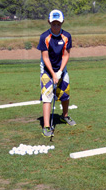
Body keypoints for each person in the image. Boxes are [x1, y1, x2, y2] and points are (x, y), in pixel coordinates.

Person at [38, 9, 76, 137]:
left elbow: (66, 55)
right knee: (47, 96)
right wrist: (53, 74)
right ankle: (47, 126)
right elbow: (45, 57)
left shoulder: (66, 37)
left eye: (58, 24)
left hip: (61, 69)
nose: (56, 26)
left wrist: (60, 72)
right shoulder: (44, 37)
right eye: (53, 24)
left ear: (62, 23)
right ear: (49, 22)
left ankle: (64, 116)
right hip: (47, 71)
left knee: (65, 94)